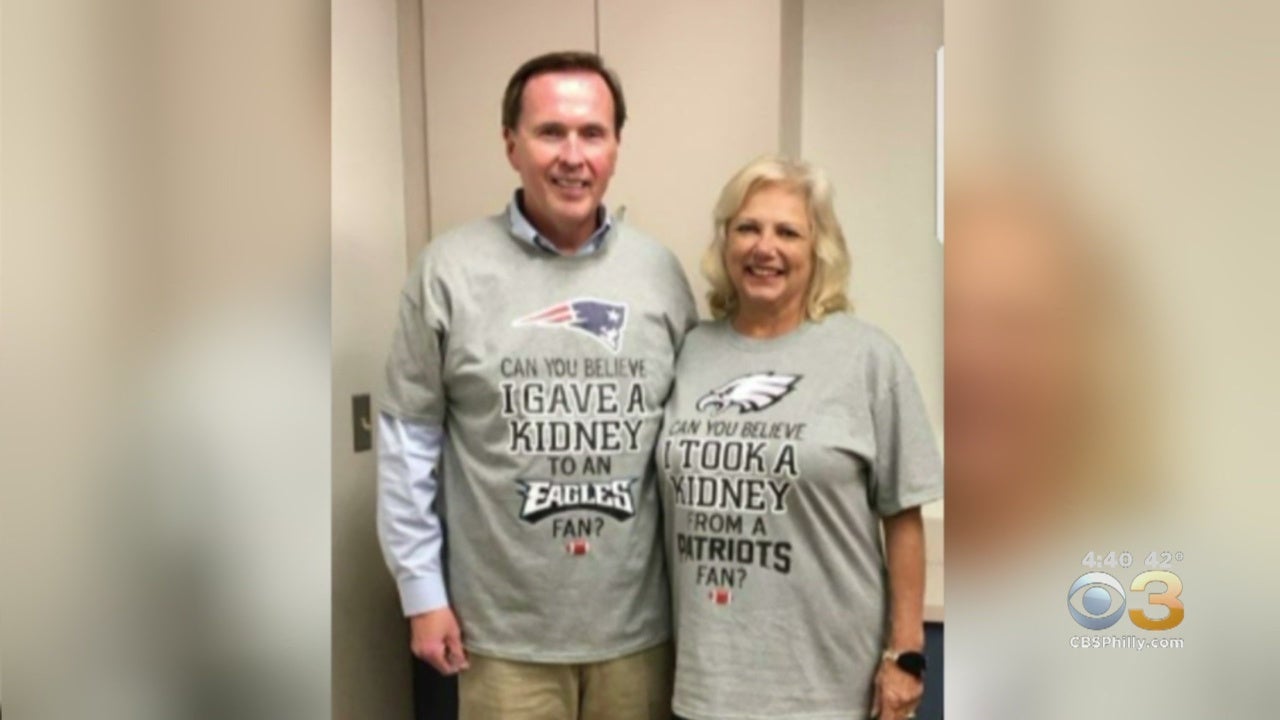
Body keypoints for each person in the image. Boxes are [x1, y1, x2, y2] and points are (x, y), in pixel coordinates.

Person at [376, 50, 697, 720]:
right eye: (551, 132)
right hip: (502, 640)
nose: (572, 156)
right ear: (511, 144)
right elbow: (408, 444)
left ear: (615, 148)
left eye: (592, 133)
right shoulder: (447, 272)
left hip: (639, 635)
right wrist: (421, 593)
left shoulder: (660, 274)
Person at [657, 156, 942, 720]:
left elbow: (902, 514)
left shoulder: (867, 357)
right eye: (748, 228)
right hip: (706, 685)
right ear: (726, 241)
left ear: (819, 250)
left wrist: (906, 654)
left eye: (788, 232)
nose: (765, 248)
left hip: (828, 688)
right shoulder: (689, 352)